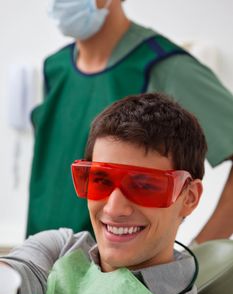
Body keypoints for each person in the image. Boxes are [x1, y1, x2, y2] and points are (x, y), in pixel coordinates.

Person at [0, 93, 224, 294]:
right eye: (101, 181)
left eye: (144, 185)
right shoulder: (58, 250)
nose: (114, 207)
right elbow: (17, 270)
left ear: (189, 198)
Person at [26, 0, 233, 244]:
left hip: (115, 272)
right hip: (41, 262)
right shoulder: (55, 68)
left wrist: (200, 258)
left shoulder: (164, 67)